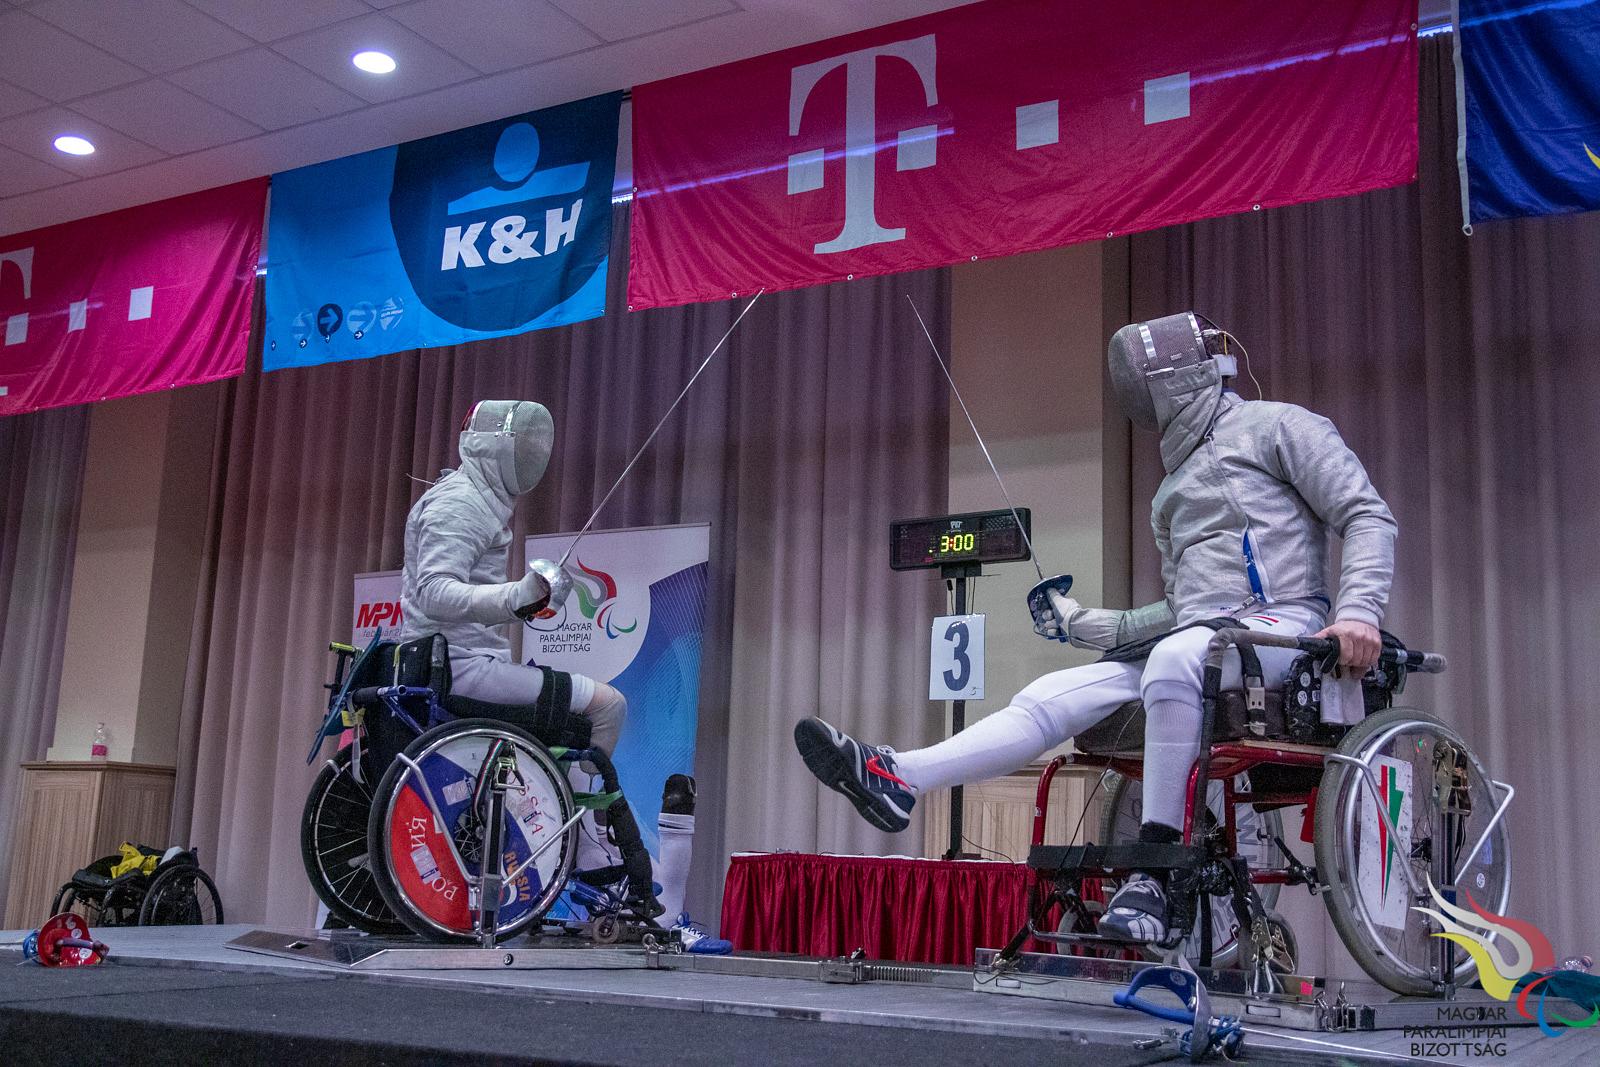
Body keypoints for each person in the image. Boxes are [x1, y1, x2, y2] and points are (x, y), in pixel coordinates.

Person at [795, 312, 1396, 944]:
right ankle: (898, 776)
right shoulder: (1171, 492)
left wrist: (1358, 612)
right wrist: (1083, 623)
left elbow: (1366, 514)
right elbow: (1183, 611)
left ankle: (1156, 872)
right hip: (1204, 646)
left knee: (1178, 658)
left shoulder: (1281, 427)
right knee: (1053, 694)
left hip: (1285, 632)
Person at [398, 398, 661, 918]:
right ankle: (583, 844)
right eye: (527, 445)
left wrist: (527, 602)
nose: (534, 456)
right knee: (608, 706)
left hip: (460, 662)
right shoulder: (460, 504)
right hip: (459, 669)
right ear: (497, 446)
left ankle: (552, 821)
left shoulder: (476, 499)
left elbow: (467, 600)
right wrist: (514, 595)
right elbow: (433, 592)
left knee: (576, 716)